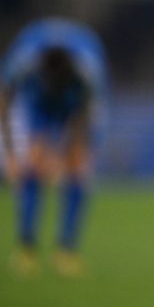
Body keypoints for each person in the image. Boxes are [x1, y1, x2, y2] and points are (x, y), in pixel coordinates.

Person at [0, 18, 108, 277]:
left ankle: (67, 249)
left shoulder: (89, 71)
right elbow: (4, 101)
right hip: (38, 104)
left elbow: (86, 114)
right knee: (32, 167)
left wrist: (72, 150)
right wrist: (12, 153)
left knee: (78, 169)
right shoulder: (24, 63)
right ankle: (27, 246)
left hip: (76, 104)